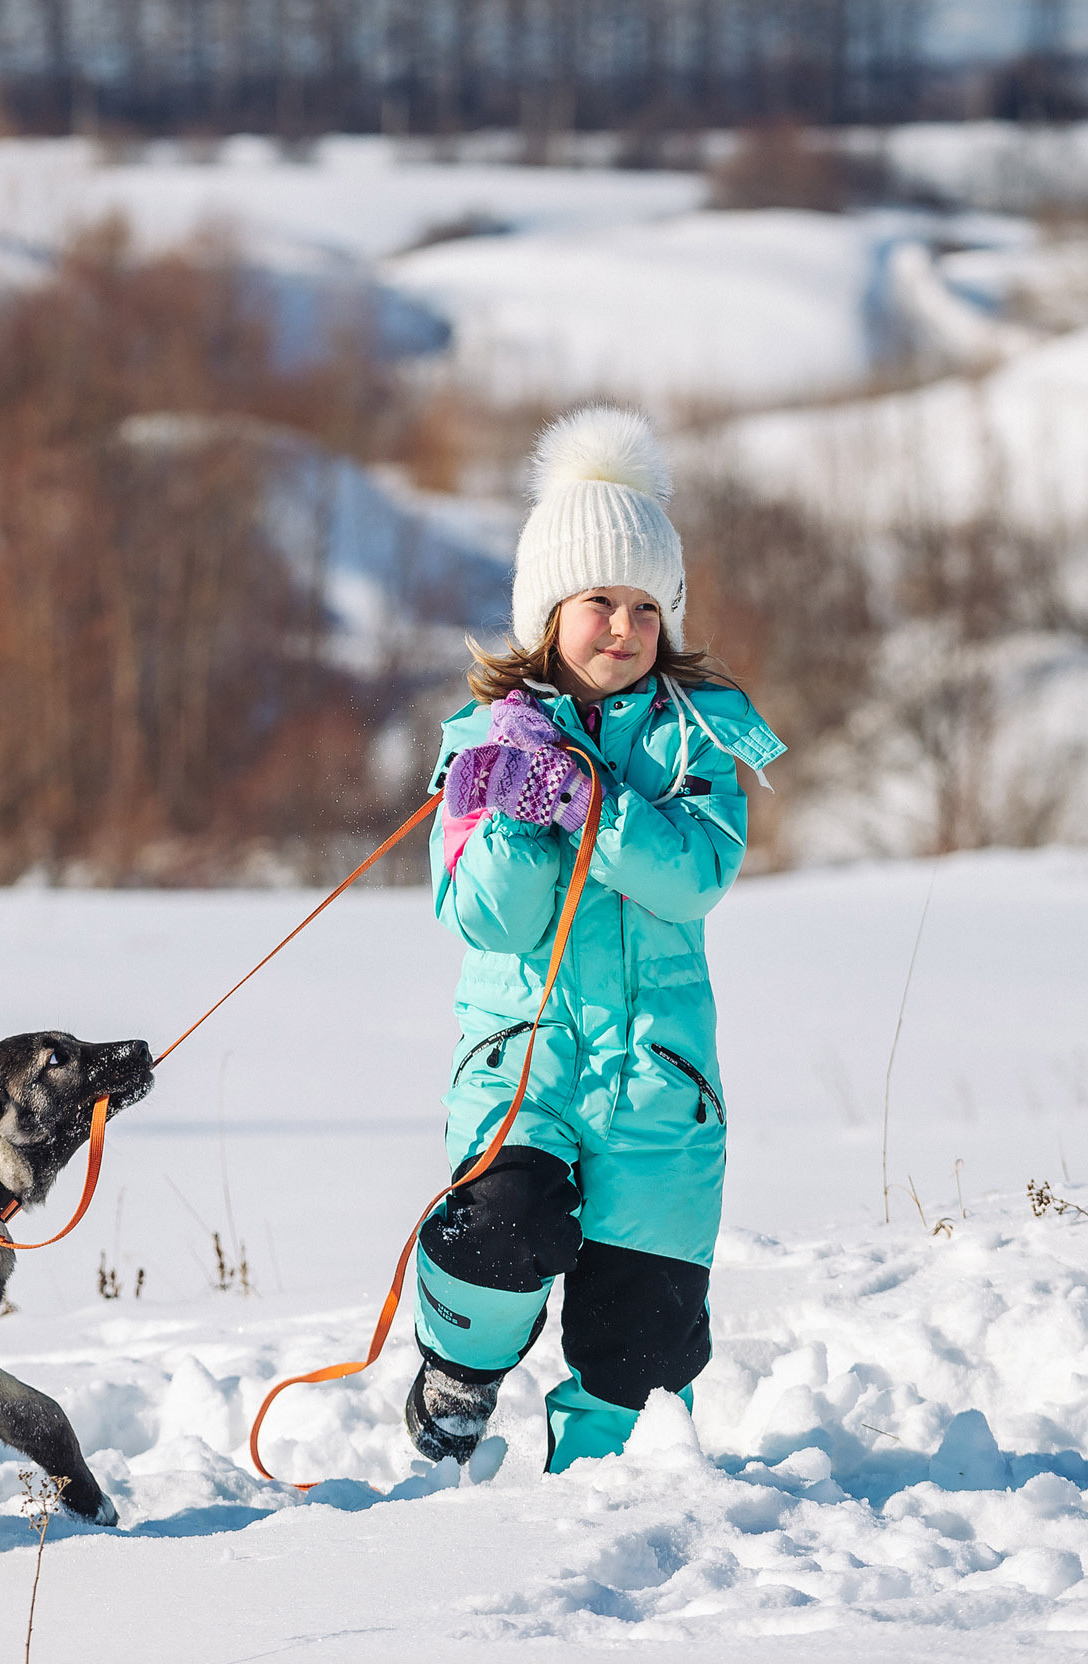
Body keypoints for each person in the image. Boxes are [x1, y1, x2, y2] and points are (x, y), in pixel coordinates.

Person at [406, 405, 785, 1473]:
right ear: (544, 612)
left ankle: (593, 1492)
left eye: (643, 606)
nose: (620, 626)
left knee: (648, 1334)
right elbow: (488, 916)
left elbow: (695, 874)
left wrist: (598, 807)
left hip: (660, 1080)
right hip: (524, 1065)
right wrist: (525, 806)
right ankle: (461, 1364)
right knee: (503, 1224)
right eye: (596, 602)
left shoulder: (697, 738)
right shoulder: (488, 742)